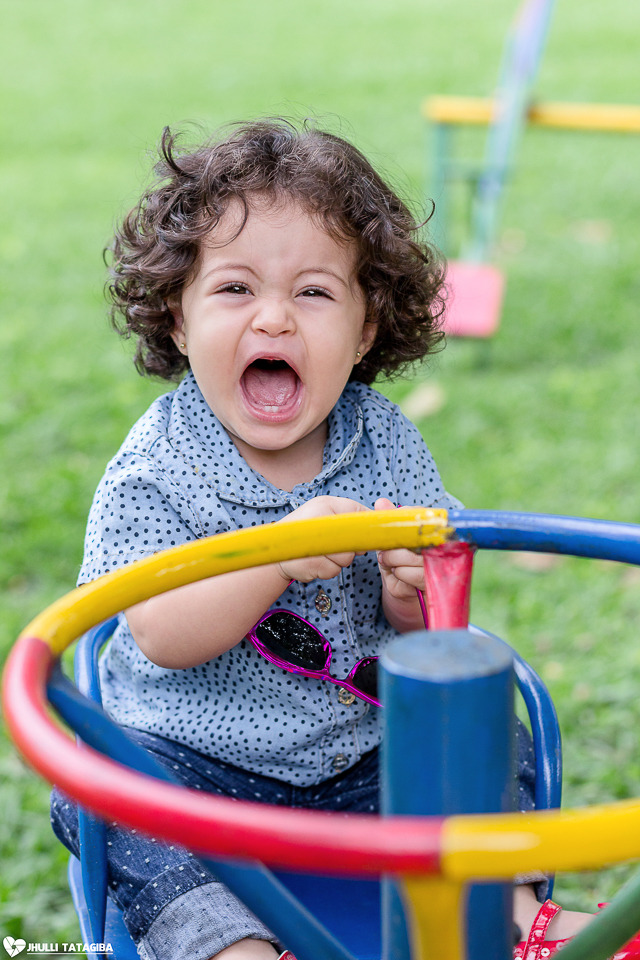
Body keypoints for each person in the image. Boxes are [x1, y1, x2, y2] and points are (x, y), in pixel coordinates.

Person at [51, 119, 592, 960]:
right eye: (234, 290)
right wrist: (271, 560)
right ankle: (235, 951)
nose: (274, 319)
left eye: (313, 293)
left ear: (367, 329)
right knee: (114, 796)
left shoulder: (383, 441)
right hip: (202, 781)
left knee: (485, 726)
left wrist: (411, 598)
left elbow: (431, 627)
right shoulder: (156, 467)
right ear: (178, 316)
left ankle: (517, 920)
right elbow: (156, 633)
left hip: (365, 764)